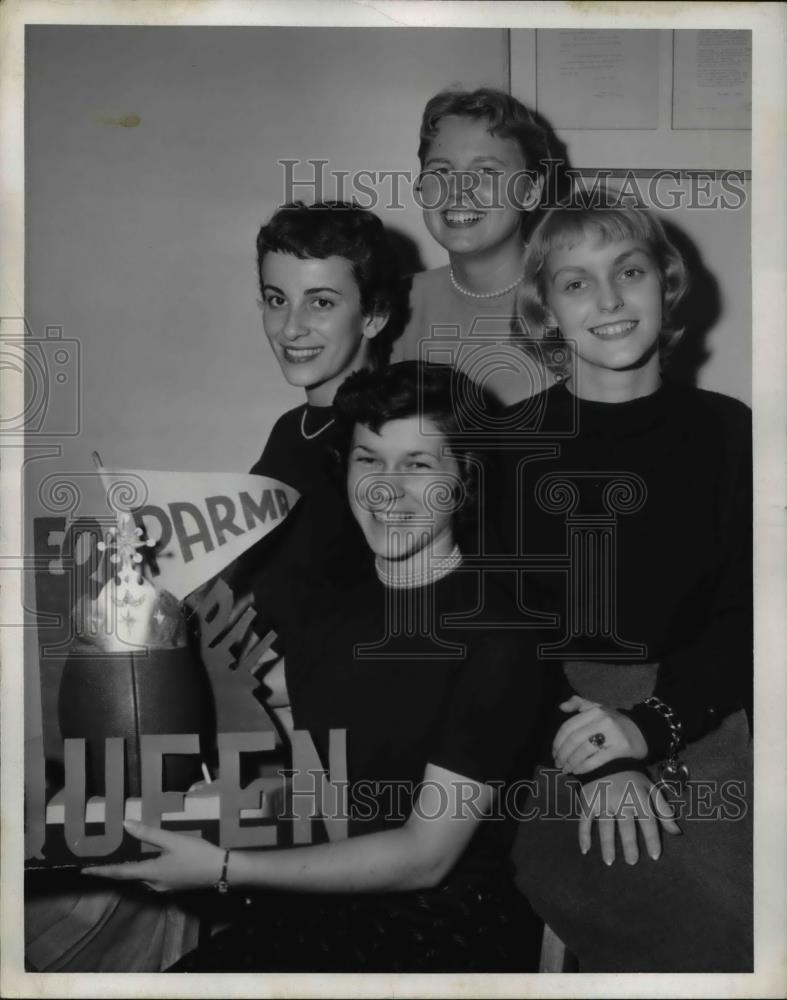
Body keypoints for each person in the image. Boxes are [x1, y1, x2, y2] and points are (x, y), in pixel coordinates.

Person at [84, 361, 548, 972]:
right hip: (324, 904)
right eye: (369, 460)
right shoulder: (330, 606)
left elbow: (425, 854)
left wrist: (224, 869)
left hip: (444, 927)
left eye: (418, 464)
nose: (386, 488)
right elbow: (322, 779)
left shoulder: (501, 631)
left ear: (465, 480)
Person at [504, 196, 753, 972]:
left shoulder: (729, 430)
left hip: (705, 717)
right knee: (715, 921)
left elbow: (746, 614)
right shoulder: (503, 449)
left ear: (664, 284)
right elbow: (497, 643)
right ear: (545, 308)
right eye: (575, 283)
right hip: (552, 739)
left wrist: (653, 728)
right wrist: (603, 760)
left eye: (629, 271)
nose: (609, 300)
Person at [227, 201, 401, 656]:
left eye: (320, 302)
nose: (290, 328)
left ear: (375, 315)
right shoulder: (289, 432)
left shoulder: (394, 432)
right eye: (276, 300)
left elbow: (411, 615)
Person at [392, 87, 554, 405]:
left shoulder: (577, 298)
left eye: (486, 172)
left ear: (532, 190)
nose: (458, 190)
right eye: (441, 171)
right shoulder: (394, 306)